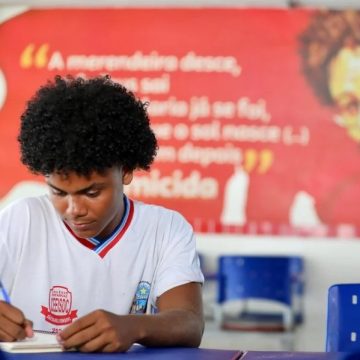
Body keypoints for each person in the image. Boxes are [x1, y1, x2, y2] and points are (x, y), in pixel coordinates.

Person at [0, 75, 204, 352]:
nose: (74, 210)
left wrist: (134, 326)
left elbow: (190, 323)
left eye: (92, 193)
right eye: (59, 193)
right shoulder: (20, 220)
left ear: (128, 170)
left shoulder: (165, 229)